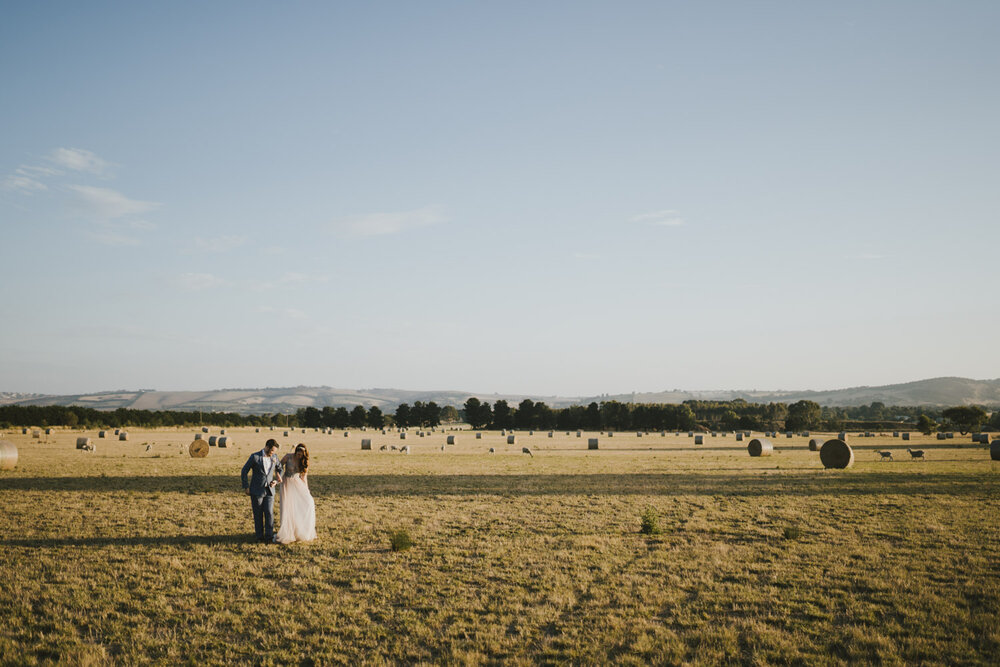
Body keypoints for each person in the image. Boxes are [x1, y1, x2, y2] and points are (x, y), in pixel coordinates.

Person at [241, 439, 283, 543]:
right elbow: (244, 470)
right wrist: (246, 486)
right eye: (272, 451)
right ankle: (259, 537)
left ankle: (269, 536)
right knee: (258, 514)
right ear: (267, 447)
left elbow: (280, 469)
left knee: (269, 513)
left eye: (274, 451)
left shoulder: (275, 457)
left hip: (270, 491)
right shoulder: (255, 457)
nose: (273, 453)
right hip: (256, 491)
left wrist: (277, 479)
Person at [274, 443, 317, 544]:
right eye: (298, 453)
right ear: (296, 451)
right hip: (286, 484)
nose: (299, 456)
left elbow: (304, 478)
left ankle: (299, 530)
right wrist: (278, 475)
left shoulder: (304, 462)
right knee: (287, 507)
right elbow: (278, 466)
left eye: (301, 454)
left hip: (297, 484)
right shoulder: (288, 457)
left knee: (308, 503)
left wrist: (307, 491)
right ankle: (288, 531)